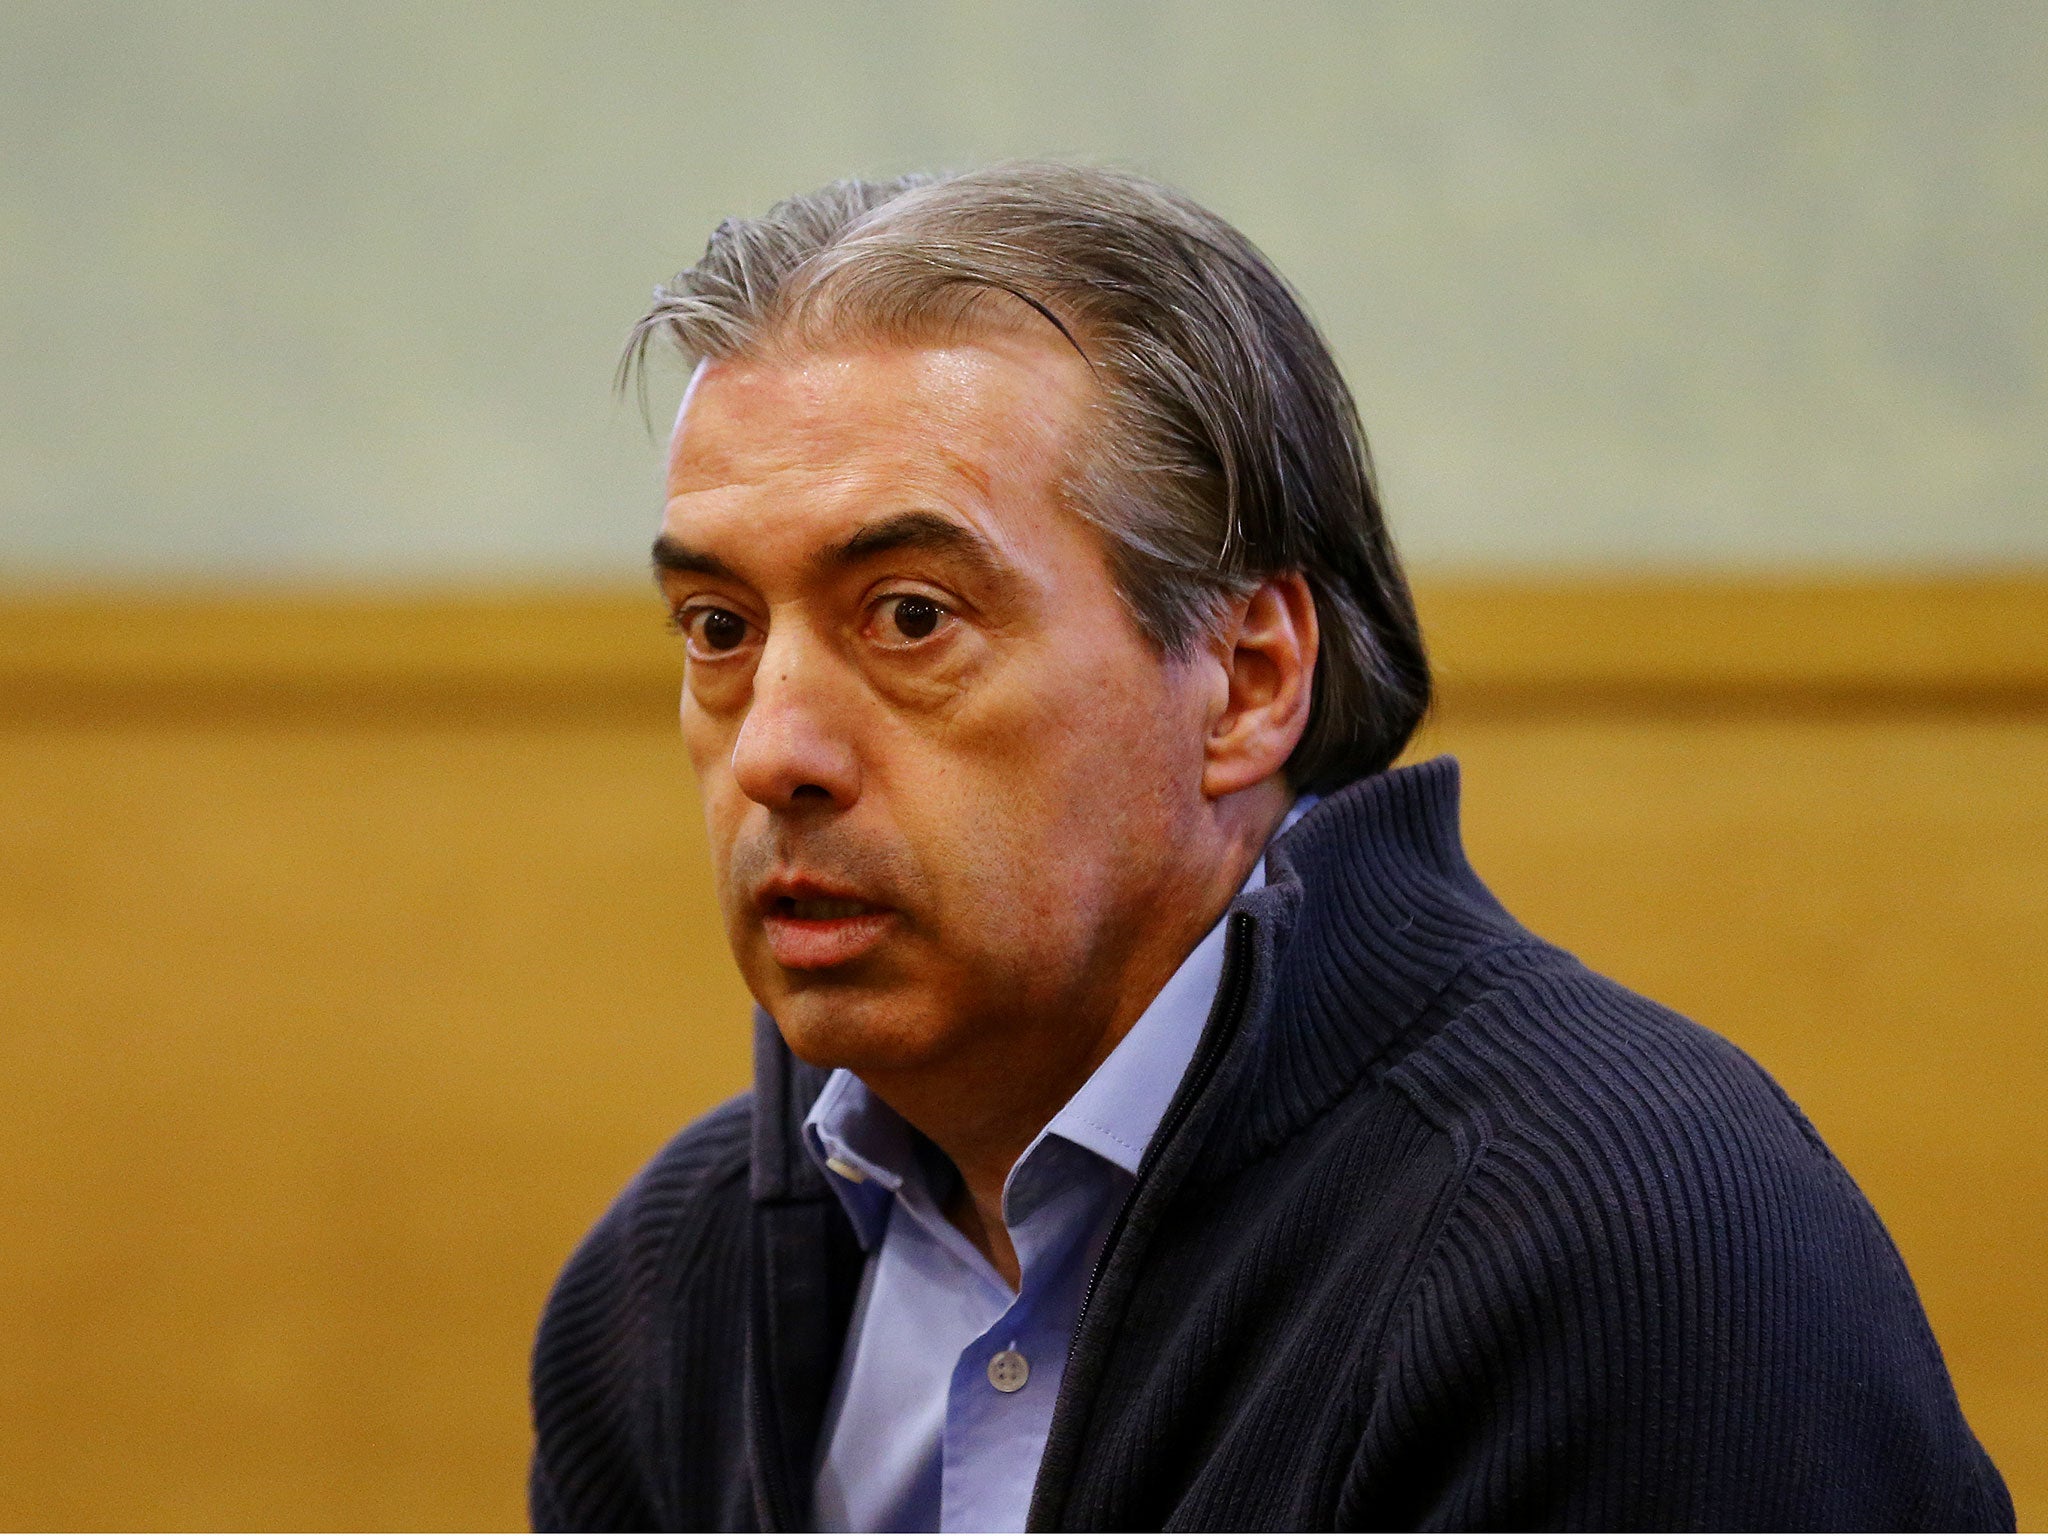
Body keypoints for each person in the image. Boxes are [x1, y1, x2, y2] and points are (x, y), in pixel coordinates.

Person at [528, 163, 2011, 1532]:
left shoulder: (1622, 1247)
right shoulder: (672, 1281)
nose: (776, 749)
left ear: (1245, 681)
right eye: (718, 631)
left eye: (913, 617)